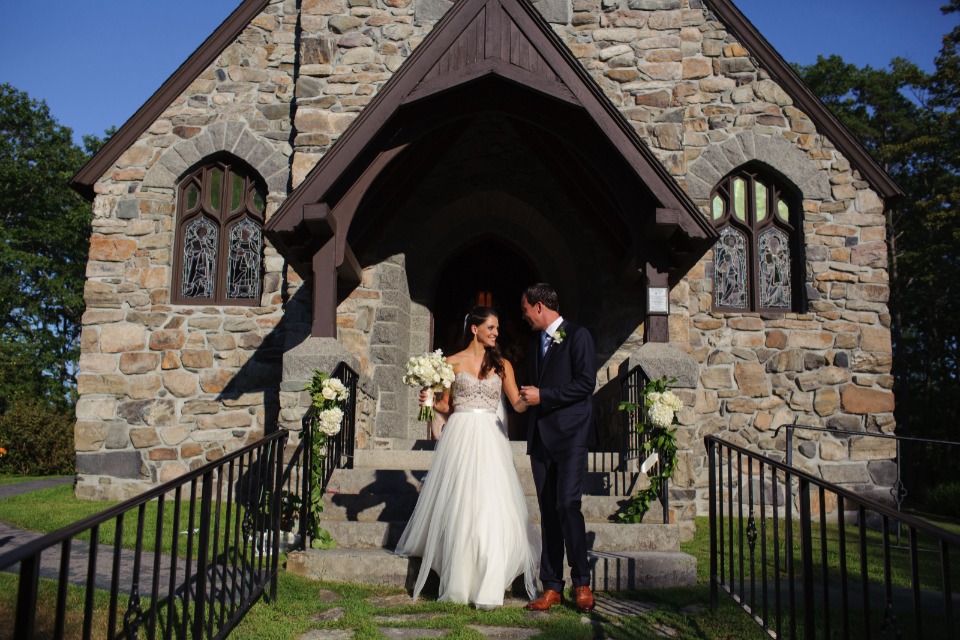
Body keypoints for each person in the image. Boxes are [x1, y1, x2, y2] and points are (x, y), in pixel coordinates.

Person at [394, 306, 540, 608]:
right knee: (461, 500)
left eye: (497, 328)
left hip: (490, 435)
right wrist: (431, 400)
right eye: (491, 327)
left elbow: (516, 403)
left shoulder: (502, 365)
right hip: (460, 433)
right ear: (474, 329)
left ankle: (489, 581)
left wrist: (534, 398)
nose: (496, 333)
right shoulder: (450, 363)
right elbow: (447, 406)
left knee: (489, 502)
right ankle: (458, 579)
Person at [518, 283, 598, 612]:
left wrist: (544, 396)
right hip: (541, 439)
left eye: (525, 310)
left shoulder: (578, 336)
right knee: (549, 513)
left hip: (571, 436)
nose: (524, 317)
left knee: (567, 505)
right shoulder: (535, 343)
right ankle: (552, 587)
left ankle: (582, 582)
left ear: (539, 307)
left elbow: (585, 383)